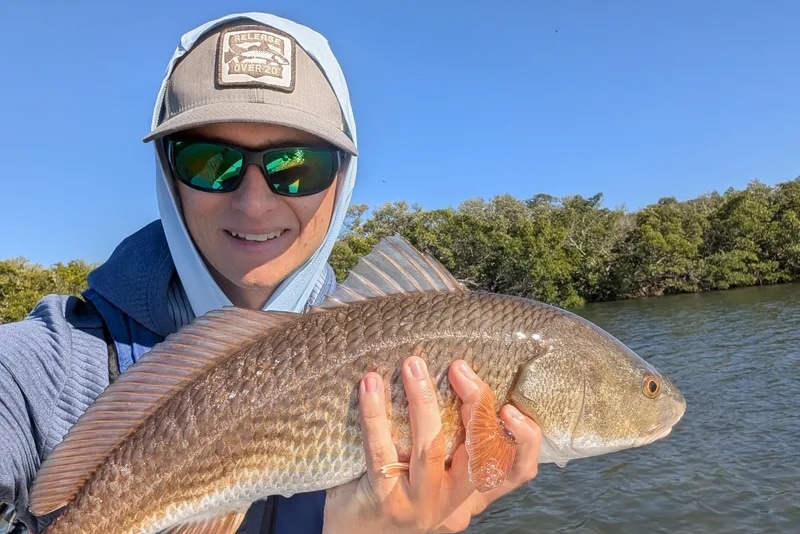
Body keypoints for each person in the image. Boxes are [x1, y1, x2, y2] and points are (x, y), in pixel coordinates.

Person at [0, 11, 542, 534]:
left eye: (297, 165)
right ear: (168, 172)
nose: (254, 204)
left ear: (343, 180)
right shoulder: (36, 373)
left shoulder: (415, 342)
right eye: (210, 162)